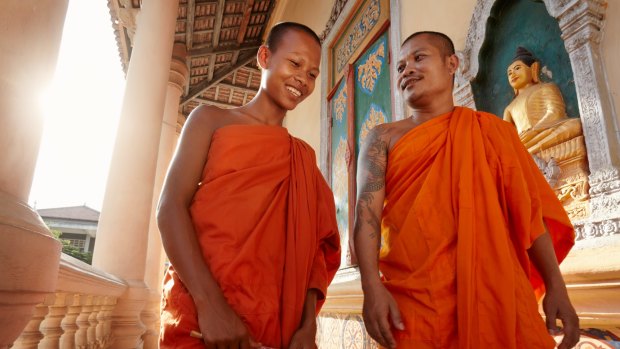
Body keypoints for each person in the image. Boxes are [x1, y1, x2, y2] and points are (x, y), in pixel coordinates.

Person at [353, 31, 579, 349]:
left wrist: (556, 286)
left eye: (419, 57)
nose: (407, 70)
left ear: (452, 63)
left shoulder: (494, 132)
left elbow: (530, 213)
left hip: (498, 295)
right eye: (401, 66)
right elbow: (366, 217)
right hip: (417, 304)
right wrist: (371, 286)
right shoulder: (382, 138)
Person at [157, 22, 341, 349]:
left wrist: (308, 326)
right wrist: (210, 305)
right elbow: (170, 208)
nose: (303, 78)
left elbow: (317, 250)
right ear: (265, 56)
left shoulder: (302, 159)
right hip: (204, 314)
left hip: (276, 325)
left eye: (313, 73)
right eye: (295, 63)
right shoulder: (210, 120)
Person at [503, 46, 583, 155]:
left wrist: (534, 131)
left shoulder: (546, 88)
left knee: (575, 125)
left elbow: (555, 112)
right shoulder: (509, 108)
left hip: (543, 133)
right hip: (524, 141)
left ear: (533, 68)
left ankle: (525, 155)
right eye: (509, 73)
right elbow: (506, 136)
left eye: (517, 68)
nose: (512, 74)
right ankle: (524, 154)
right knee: (508, 151)